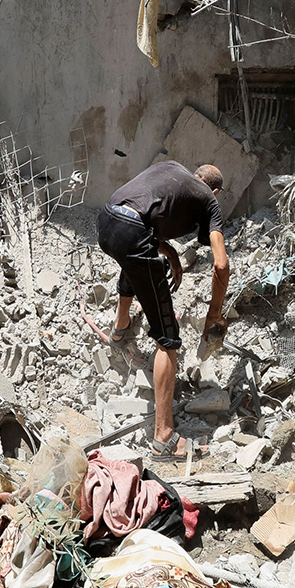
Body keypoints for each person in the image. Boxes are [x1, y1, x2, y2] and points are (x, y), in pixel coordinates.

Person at [96, 160, 230, 458]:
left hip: (105, 222)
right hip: (133, 232)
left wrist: (167, 250)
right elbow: (221, 264)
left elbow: (141, 211)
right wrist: (214, 314)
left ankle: (119, 330)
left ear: (195, 175)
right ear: (216, 190)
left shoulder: (169, 168)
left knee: (136, 263)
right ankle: (164, 437)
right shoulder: (209, 200)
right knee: (168, 337)